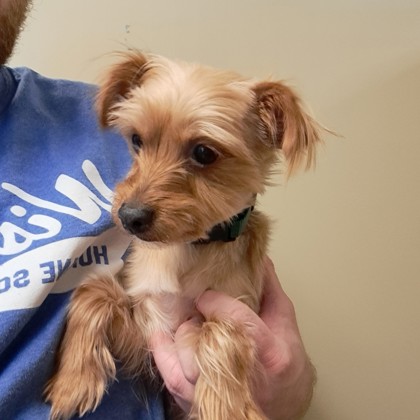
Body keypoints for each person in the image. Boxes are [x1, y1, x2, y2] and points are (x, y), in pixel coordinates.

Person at [0, 1, 315, 419]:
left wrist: (286, 391)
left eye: (202, 154)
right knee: (95, 298)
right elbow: (141, 327)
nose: (136, 202)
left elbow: (273, 373)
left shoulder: (73, 112)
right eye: (138, 143)